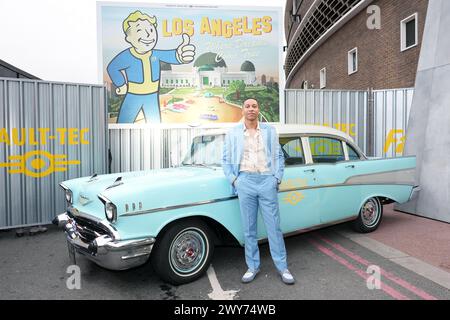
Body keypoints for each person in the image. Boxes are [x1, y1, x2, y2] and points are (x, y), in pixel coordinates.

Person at [222, 98, 295, 285]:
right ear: (243, 111)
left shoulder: (269, 131)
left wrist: (276, 178)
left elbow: (278, 155)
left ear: (258, 109)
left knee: (274, 228)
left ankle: (282, 267)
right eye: (247, 106)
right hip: (245, 181)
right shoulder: (233, 133)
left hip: (266, 181)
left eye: (254, 106)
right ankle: (252, 266)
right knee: (249, 229)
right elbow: (226, 159)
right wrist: (235, 180)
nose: (251, 109)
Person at [107, 11, 196, 123]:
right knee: (124, 122)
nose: (148, 35)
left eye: (151, 30)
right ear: (128, 38)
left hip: (152, 97)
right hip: (133, 96)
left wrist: (181, 55)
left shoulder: (156, 54)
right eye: (140, 30)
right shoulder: (127, 56)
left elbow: (173, 55)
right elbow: (112, 67)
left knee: (155, 123)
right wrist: (121, 84)